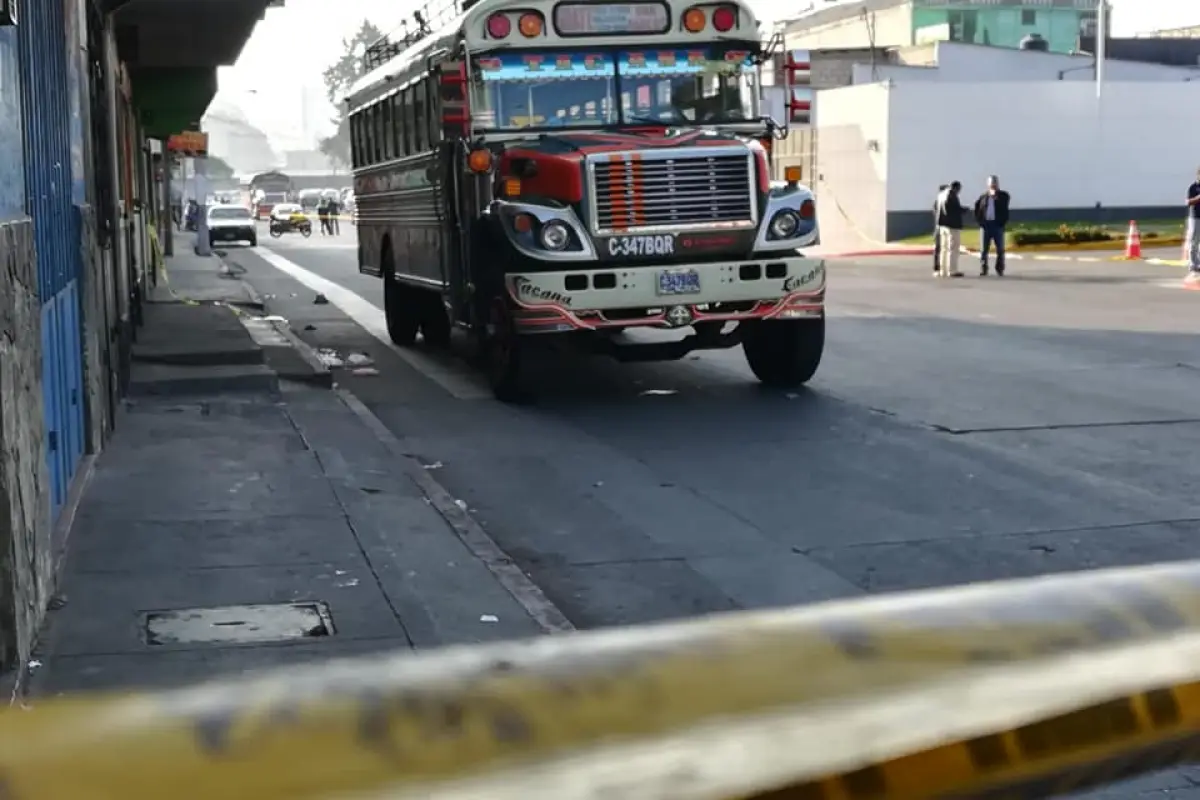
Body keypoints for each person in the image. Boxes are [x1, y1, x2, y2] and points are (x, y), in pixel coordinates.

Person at [974, 175, 1010, 276]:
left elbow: (1004, 204)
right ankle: (983, 268)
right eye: (991, 184)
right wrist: (980, 222)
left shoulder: (1003, 195)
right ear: (988, 185)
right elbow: (977, 209)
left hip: (997, 225)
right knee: (984, 249)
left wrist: (995, 196)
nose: (993, 186)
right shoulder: (983, 197)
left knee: (1000, 249)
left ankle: (1000, 268)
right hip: (986, 225)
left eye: (995, 184)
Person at [935, 181, 967, 278]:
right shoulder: (951, 195)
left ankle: (943, 269)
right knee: (953, 248)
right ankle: (952, 270)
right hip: (952, 225)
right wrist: (964, 210)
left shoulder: (941, 195)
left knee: (944, 248)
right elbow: (953, 209)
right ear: (956, 188)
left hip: (942, 224)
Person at [1186, 168, 1200, 275]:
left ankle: (1198, 264)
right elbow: (1188, 202)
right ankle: (1192, 264)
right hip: (1194, 217)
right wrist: (1198, 198)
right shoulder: (1193, 187)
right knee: (1193, 241)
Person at [933, 184, 947, 275]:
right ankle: (937, 266)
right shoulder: (939, 201)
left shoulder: (939, 201)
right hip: (940, 227)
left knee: (942, 247)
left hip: (940, 226)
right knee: (938, 247)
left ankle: (942, 266)